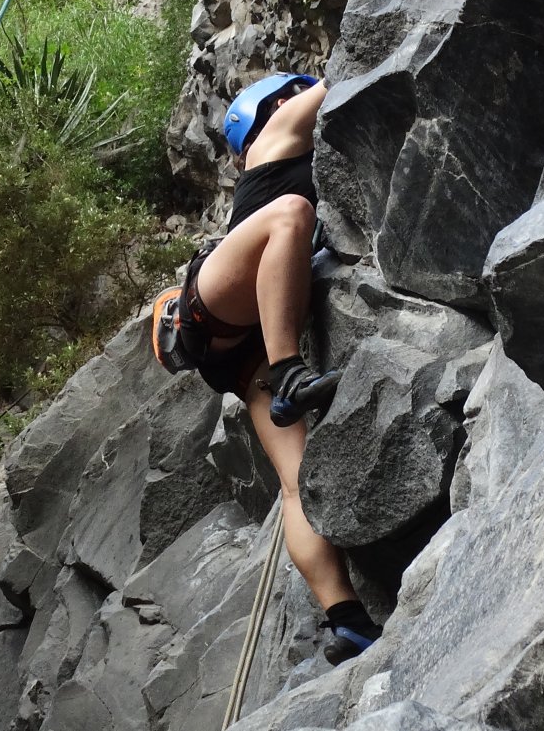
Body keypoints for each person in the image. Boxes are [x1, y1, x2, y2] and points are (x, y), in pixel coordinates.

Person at [177, 71, 382, 665]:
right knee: (291, 211)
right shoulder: (275, 133)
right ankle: (291, 370)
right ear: (276, 104)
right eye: (291, 94)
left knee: (295, 483)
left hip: (239, 346)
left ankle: (347, 619)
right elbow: (346, 75)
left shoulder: (264, 155)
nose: (297, 99)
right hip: (218, 302)